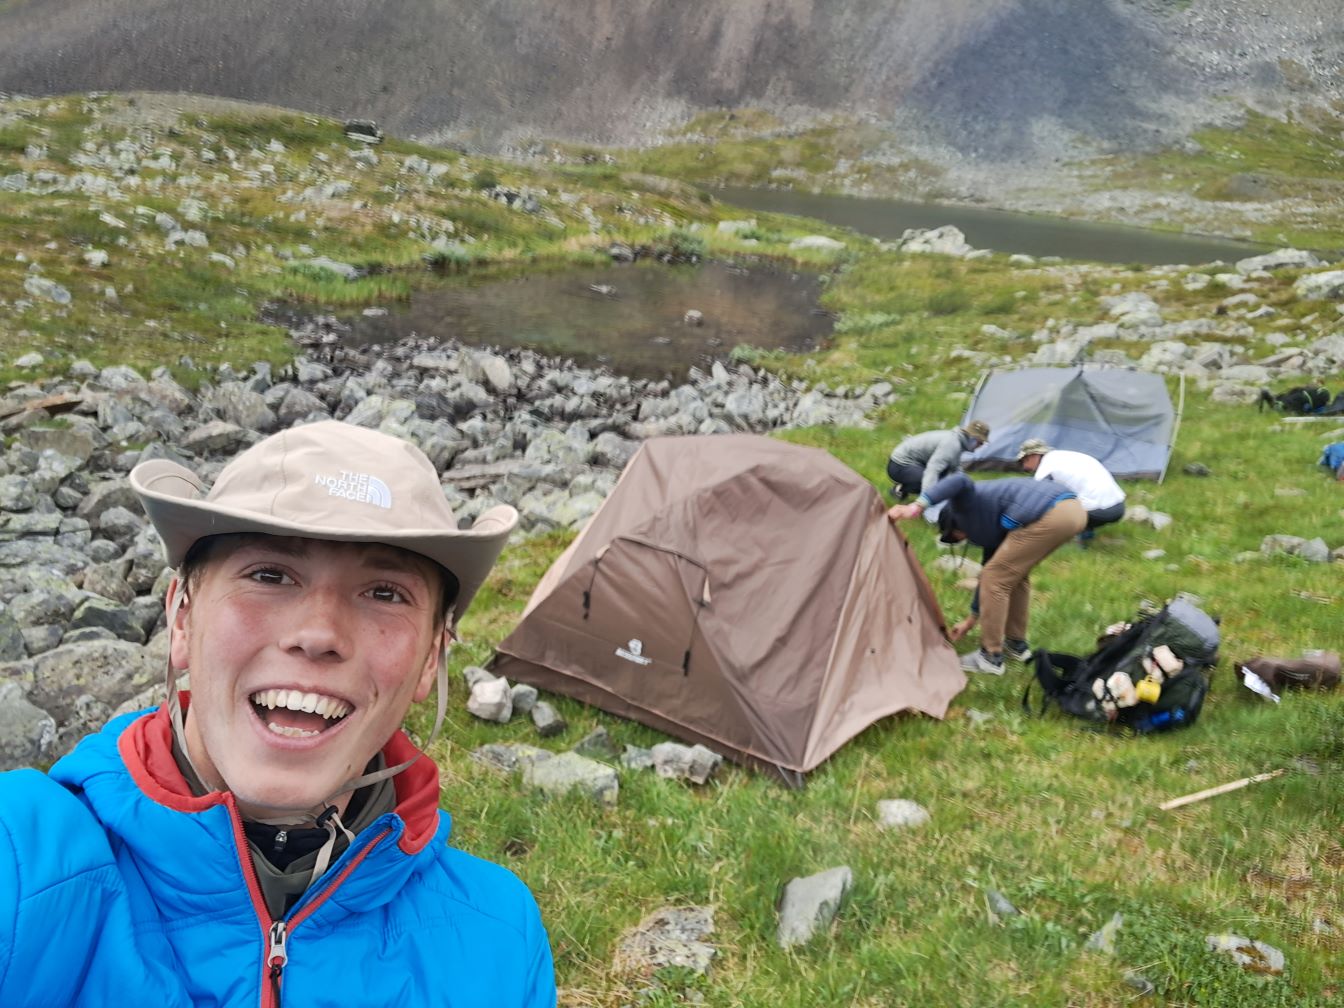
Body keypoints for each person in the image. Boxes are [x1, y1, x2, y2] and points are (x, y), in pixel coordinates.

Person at [0, 421, 556, 1007]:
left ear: (430, 660)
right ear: (182, 619)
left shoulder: (501, 937)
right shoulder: (24, 860)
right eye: (270, 575)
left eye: (385, 592)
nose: (318, 634)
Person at [888, 472, 1085, 675]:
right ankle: (1015, 645)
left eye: (955, 535)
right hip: (1072, 510)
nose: (962, 539)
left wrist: (917, 506)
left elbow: (960, 480)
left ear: (955, 523)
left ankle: (990, 657)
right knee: (1013, 576)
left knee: (997, 577)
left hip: (1052, 512)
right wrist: (971, 620)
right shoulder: (992, 523)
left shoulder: (965, 506)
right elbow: (987, 574)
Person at [1017, 438, 1126, 534]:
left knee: (1046, 512)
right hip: (1119, 507)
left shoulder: (1045, 469)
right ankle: (1086, 530)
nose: (1024, 467)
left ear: (1032, 456)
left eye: (1023, 462)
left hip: (1100, 511)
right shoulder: (1063, 456)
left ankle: (1076, 538)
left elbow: (1035, 502)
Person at [886, 419, 990, 500]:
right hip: (899, 465)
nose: (980, 446)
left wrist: (968, 486)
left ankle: (907, 485)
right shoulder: (952, 444)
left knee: (946, 481)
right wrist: (926, 502)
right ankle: (900, 488)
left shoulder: (959, 442)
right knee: (938, 485)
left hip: (916, 463)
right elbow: (932, 470)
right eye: (979, 442)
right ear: (972, 438)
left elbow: (955, 469)